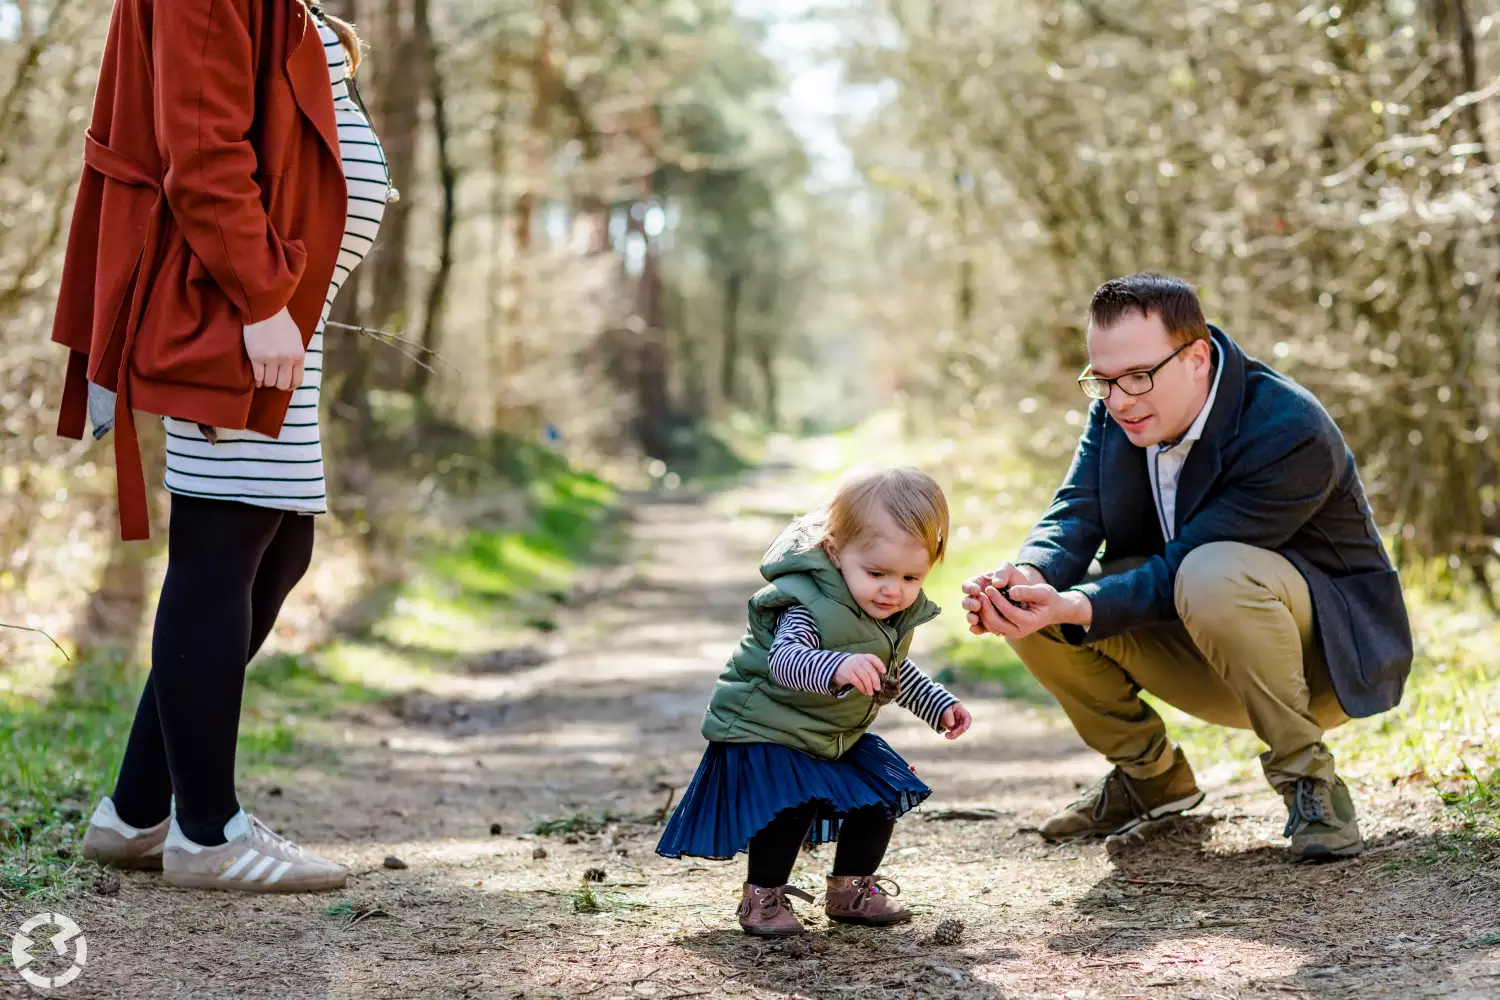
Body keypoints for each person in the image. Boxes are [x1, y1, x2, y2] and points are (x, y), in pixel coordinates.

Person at [55, 0, 394, 891]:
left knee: (276, 546)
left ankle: (135, 812)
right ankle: (206, 833)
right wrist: (256, 299)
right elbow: (201, 155)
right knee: (223, 547)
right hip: (230, 311)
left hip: (279, 313)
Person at [962, 273, 1411, 860]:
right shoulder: (1120, 412)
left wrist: (1083, 604)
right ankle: (1151, 778)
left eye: (1139, 376)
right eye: (1104, 381)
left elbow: (1182, 569)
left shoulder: (1288, 428)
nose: (1120, 399)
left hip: (1324, 665)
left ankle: (1311, 784)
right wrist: (1028, 575)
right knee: (1032, 605)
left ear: (1197, 357)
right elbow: (1076, 509)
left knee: (1209, 571)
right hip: (1199, 651)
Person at [657, 468, 975, 937]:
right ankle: (762, 897)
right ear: (834, 552)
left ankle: (851, 890)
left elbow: (893, 674)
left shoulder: (887, 611)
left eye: (911, 576)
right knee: (792, 804)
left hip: (826, 733)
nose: (893, 589)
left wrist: (939, 704)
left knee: (881, 795)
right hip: (767, 727)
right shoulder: (806, 603)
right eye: (877, 573)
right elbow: (784, 660)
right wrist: (837, 668)